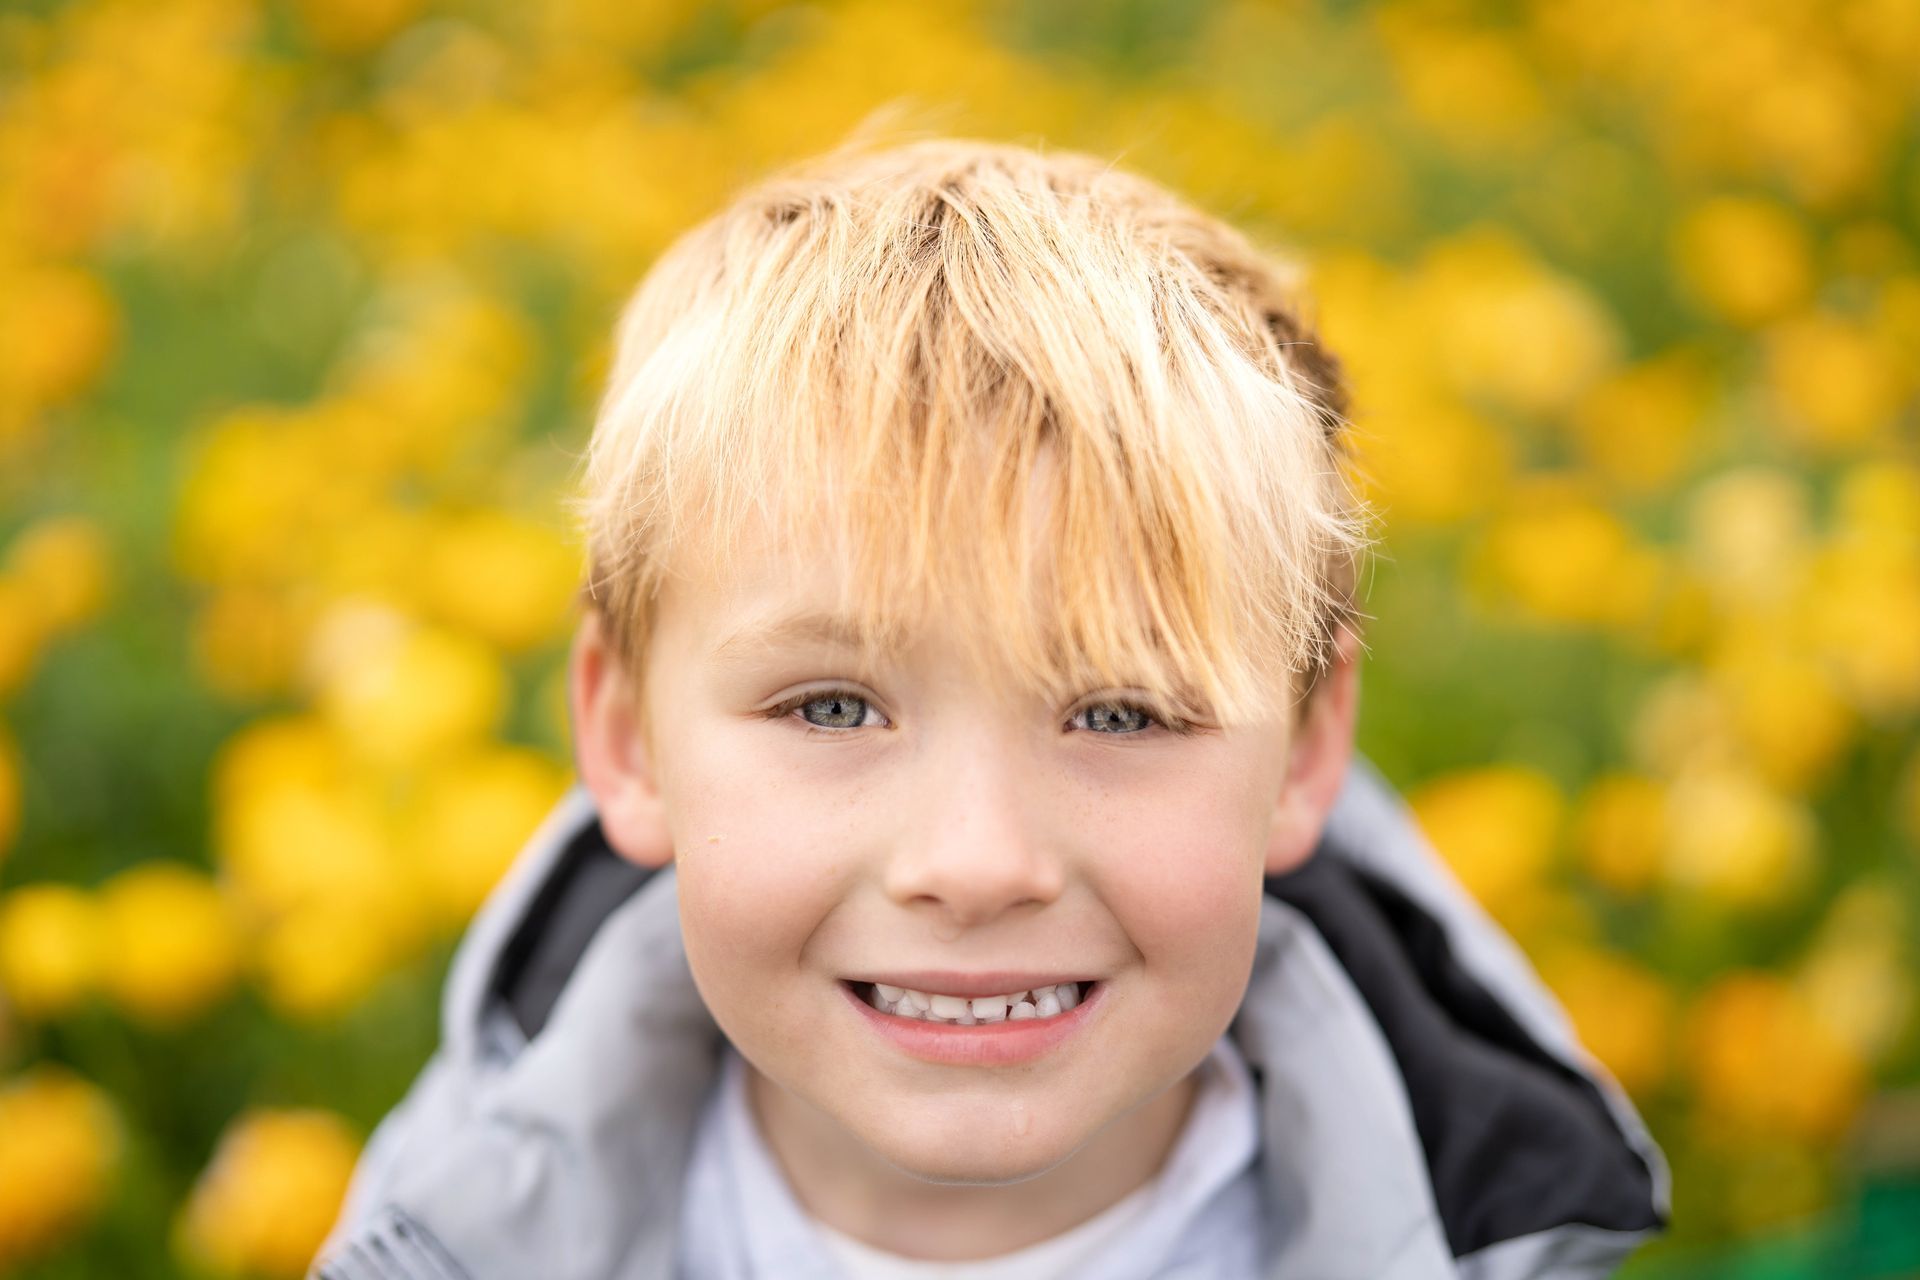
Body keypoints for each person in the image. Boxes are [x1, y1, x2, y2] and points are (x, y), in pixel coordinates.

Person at [310, 135, 1669, 1279]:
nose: (975, 865)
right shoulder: (447, 1236)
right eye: (834, 708)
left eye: (1123, 715)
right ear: (624, 739)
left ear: (1310, 749)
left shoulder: (1493, 1230)